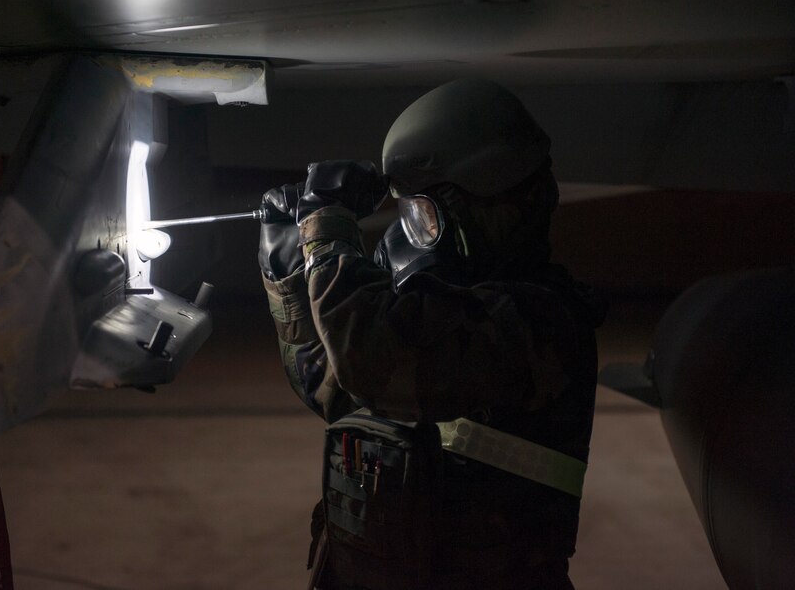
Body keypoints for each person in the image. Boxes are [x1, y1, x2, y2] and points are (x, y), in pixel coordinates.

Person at [257, 79, 605, 590]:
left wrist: (326, 232)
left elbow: (371, 363)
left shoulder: (538, 323)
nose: (414, 236)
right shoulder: (438, 312)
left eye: (425, 215)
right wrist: (288, 263)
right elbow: (330, 386)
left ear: (490, 206)